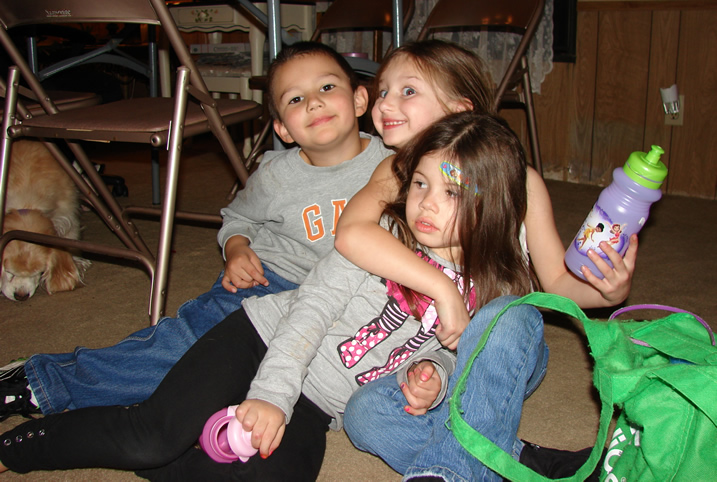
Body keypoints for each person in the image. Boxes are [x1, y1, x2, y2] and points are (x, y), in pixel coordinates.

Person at [0, 112, 536, 481]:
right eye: (419, 184)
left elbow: (456, 357)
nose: (425, 204)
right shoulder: (380, 242)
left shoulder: (489, 292)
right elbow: (309, 312)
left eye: (450, 192)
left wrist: (434, 376)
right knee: (152, 438)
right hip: (260, 341)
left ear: (494, 206)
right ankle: (25, 445)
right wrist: (272, 396)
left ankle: (194, 438)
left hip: (319, 402)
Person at [0, 41, 393, 420]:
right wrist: (236, 248)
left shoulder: (395, 164)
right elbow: (237, 217)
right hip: (269, 282)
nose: (314, 102)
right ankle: (41, 380)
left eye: (327, 87)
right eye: (295, 99)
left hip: (352, 300)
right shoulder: (276, 175)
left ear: (361, 100)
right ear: (282, 129)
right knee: (185, 351)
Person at [334, 40, 638, 480]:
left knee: (505, 313)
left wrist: (607, 291)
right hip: (425, 361)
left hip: (502, 351)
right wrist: (443, 290)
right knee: (364, 413)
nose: (384, 103)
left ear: (459, 110)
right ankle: (523, 462)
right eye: (382, 91)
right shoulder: (396, 170)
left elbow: (556, 280)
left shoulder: (519, 180)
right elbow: (351, 233)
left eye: (408, 91)